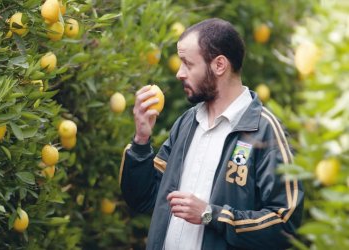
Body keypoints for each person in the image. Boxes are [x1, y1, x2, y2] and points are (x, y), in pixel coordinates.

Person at [119, 18, 304, 250]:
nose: (179, 73)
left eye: (187, 64)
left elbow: (284, 224)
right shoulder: (187, 123)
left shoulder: (265, 131)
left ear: (219, 65)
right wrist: (141, 140)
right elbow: (143, 198)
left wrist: (211, 215)